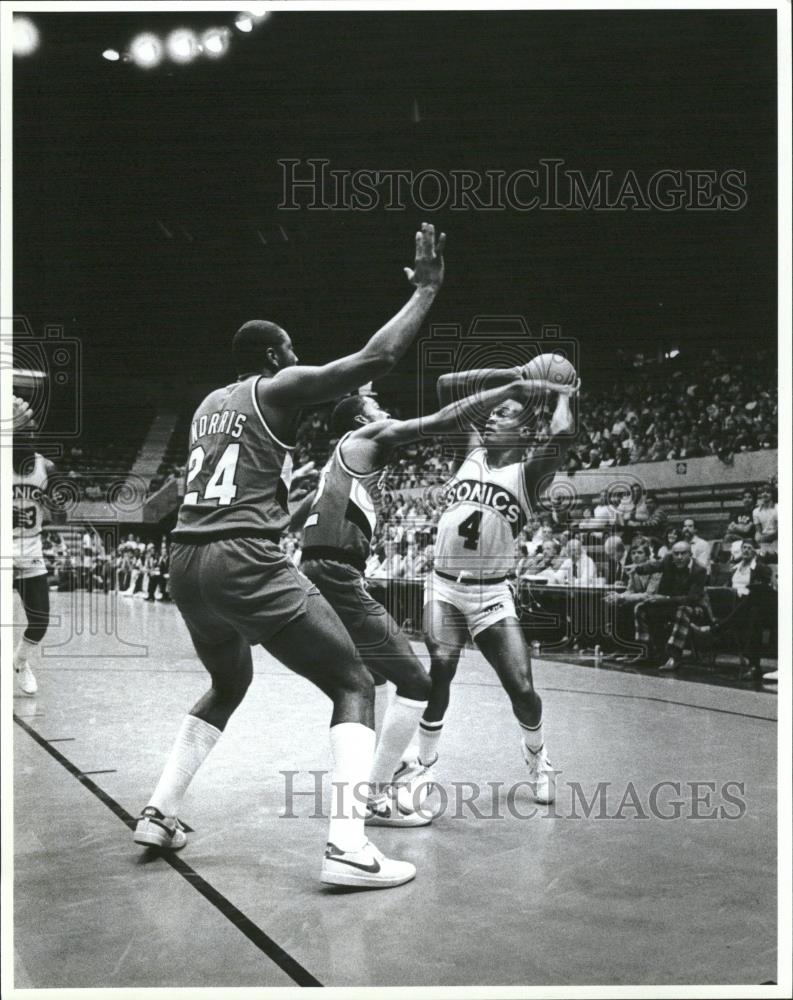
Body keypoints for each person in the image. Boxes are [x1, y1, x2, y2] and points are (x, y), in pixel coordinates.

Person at [134, 222, 445, 890]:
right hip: (240, 557)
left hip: (185, 565)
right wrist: (425, 291)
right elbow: (374, 358)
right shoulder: (274, 388)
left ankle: (160, 810)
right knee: (354, 683)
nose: (296, 357)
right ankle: (347, 846)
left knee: (229, 682)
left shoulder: (207, 406)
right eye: (290, 350)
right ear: (274, 356)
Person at [297, 374, 550, 822]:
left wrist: (274, 518)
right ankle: (379, 791)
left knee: (367, 679)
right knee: (418, 682)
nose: (385, 412)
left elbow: (301, 508)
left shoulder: (335, 462)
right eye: (376, 407)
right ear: (361, 418)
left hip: (332, 571)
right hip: (350, 574)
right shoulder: (367, 435)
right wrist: (511, 385)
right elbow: (440, 415)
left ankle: (384, 774)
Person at [409, 364, 579, 804]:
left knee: (521, 687)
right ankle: (423, 766)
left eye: (505, 413)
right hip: (444, 587)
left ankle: (538, 758)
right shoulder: (467, 451)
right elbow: (447, 385)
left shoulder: (528, 473)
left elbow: (561, 433)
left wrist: (561, 391)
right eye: (492, 411)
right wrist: (516, 376)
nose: (491, 416)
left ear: (523, 431)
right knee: (441, 665)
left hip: (491, 594)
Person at [12, 399, 54, 696]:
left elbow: (59, 510)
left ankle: (20, 661)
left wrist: (55, 501)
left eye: (33, 431)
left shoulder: (46, 466)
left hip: (31, 548)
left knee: (39, 621)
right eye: (24, 430)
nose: (31, 435)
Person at [694, 540, 774, 682]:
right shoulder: (735, 568)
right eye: (744, 548)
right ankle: (713, 629)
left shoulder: (761, 568)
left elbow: (762, 591)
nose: (746, 551)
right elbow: (728, 586)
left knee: (751, 608)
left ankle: (715, 628)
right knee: (708, 594)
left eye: (749, 548)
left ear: (755, 551)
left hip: (750, 605)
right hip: (732, 604)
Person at [626, 540, 709, 672]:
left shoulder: (699, 570)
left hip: (695, 607)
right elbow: (654, 566)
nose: (679, 557)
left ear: (690, 554)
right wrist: (638, 568)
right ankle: (647, 651)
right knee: (641, 608)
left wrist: (666, 599)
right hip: (669, 604)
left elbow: (692, 598)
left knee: (683, 610)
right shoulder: (668, 559)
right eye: (676, 554)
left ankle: (675, 656)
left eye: (683, 554)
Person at [752, 487, 778, 561]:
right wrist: (758, 537)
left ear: (772, 494)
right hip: (763, 541)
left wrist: (765, 538)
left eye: (768, 492)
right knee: (759, 557)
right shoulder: (756, 511)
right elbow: (758, 530)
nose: (765, 494)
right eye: (762, 492)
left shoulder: (778, 508)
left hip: (776, 540)